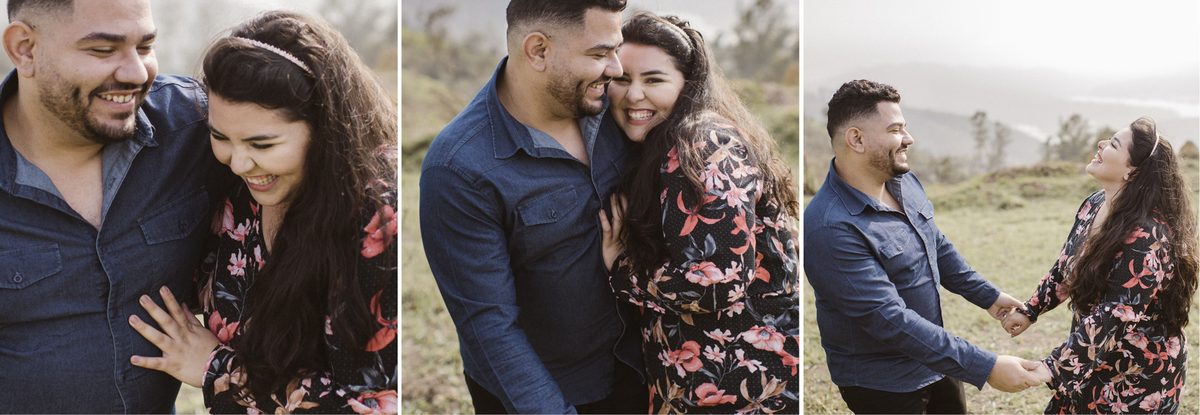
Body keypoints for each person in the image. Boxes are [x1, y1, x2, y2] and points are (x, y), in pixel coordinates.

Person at [123, 11, 398, 414]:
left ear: (326, 127)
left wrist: (215, 366)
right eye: (220, 136)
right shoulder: (237, 190)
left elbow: (371, 404)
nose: (238, 162)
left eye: (262, 144)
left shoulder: (375, 214)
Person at [0, 0, 234, 412]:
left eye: (145, 47)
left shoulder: (196, 129)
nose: (135, 73)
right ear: (25, 48)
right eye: (103, 50)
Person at [419, 0, 647, 413]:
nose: (615, 68)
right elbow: (489, 326)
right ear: (538, 50)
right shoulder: (458, 168)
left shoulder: (620, 107)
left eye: (616, 48)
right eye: (598, 54)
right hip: (540, 394)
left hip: (639, 365)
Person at [803, 79, 1049, 414]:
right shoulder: (829, 227)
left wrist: (987, 296)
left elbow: (935, 244)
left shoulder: (903, 181)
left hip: (938, 359)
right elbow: (889, 320)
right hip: (883, 386)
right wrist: (988, 367)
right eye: (896, 129)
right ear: (856, 139)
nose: (908, 138)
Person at [597, 12, 799, 414]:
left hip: (744, 388)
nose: (633, 95)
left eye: (653, 80)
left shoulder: (703, 141)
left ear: (686, 84)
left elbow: (720, 280)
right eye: (621, 79)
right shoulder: (661, 144)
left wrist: (623, 268)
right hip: (701, 380)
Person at [1001, 117, 1197, 414]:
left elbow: (1115, 314)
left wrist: (1052, 367)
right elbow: (1067, 266)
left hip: (1137, 374)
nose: (1101, 144)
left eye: (1113, 144)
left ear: (1132, 171)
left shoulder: (1148, 236)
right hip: (1090, 354)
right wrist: (1031, 309)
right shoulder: (1093, 204)